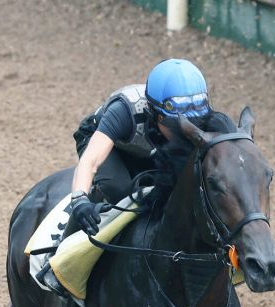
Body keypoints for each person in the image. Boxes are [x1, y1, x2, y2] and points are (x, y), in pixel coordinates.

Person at [39, 58, 211, 294]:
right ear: (156, 114)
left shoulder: (190, 116)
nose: (185, 133)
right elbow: (90, 161)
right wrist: (79, 200)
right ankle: (58, 261)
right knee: (121, 191)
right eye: (177, 126)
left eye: (193, 125)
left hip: (150, 149)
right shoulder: (124, 111)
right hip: (111, 145)